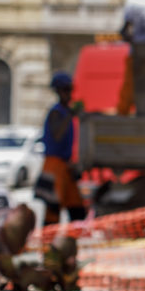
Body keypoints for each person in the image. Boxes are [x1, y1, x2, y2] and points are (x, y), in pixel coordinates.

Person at [35, 72, 86, 224]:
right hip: (53, 166)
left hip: (64, 166)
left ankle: (71, 241)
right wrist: (70, 115)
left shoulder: (65, 112)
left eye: (70, 89)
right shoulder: (56, 113)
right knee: (53, 209)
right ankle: (48, 244)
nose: (69, 94)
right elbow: (57, 134)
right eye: (66, 90)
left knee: (76, 208)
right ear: (58, 91)